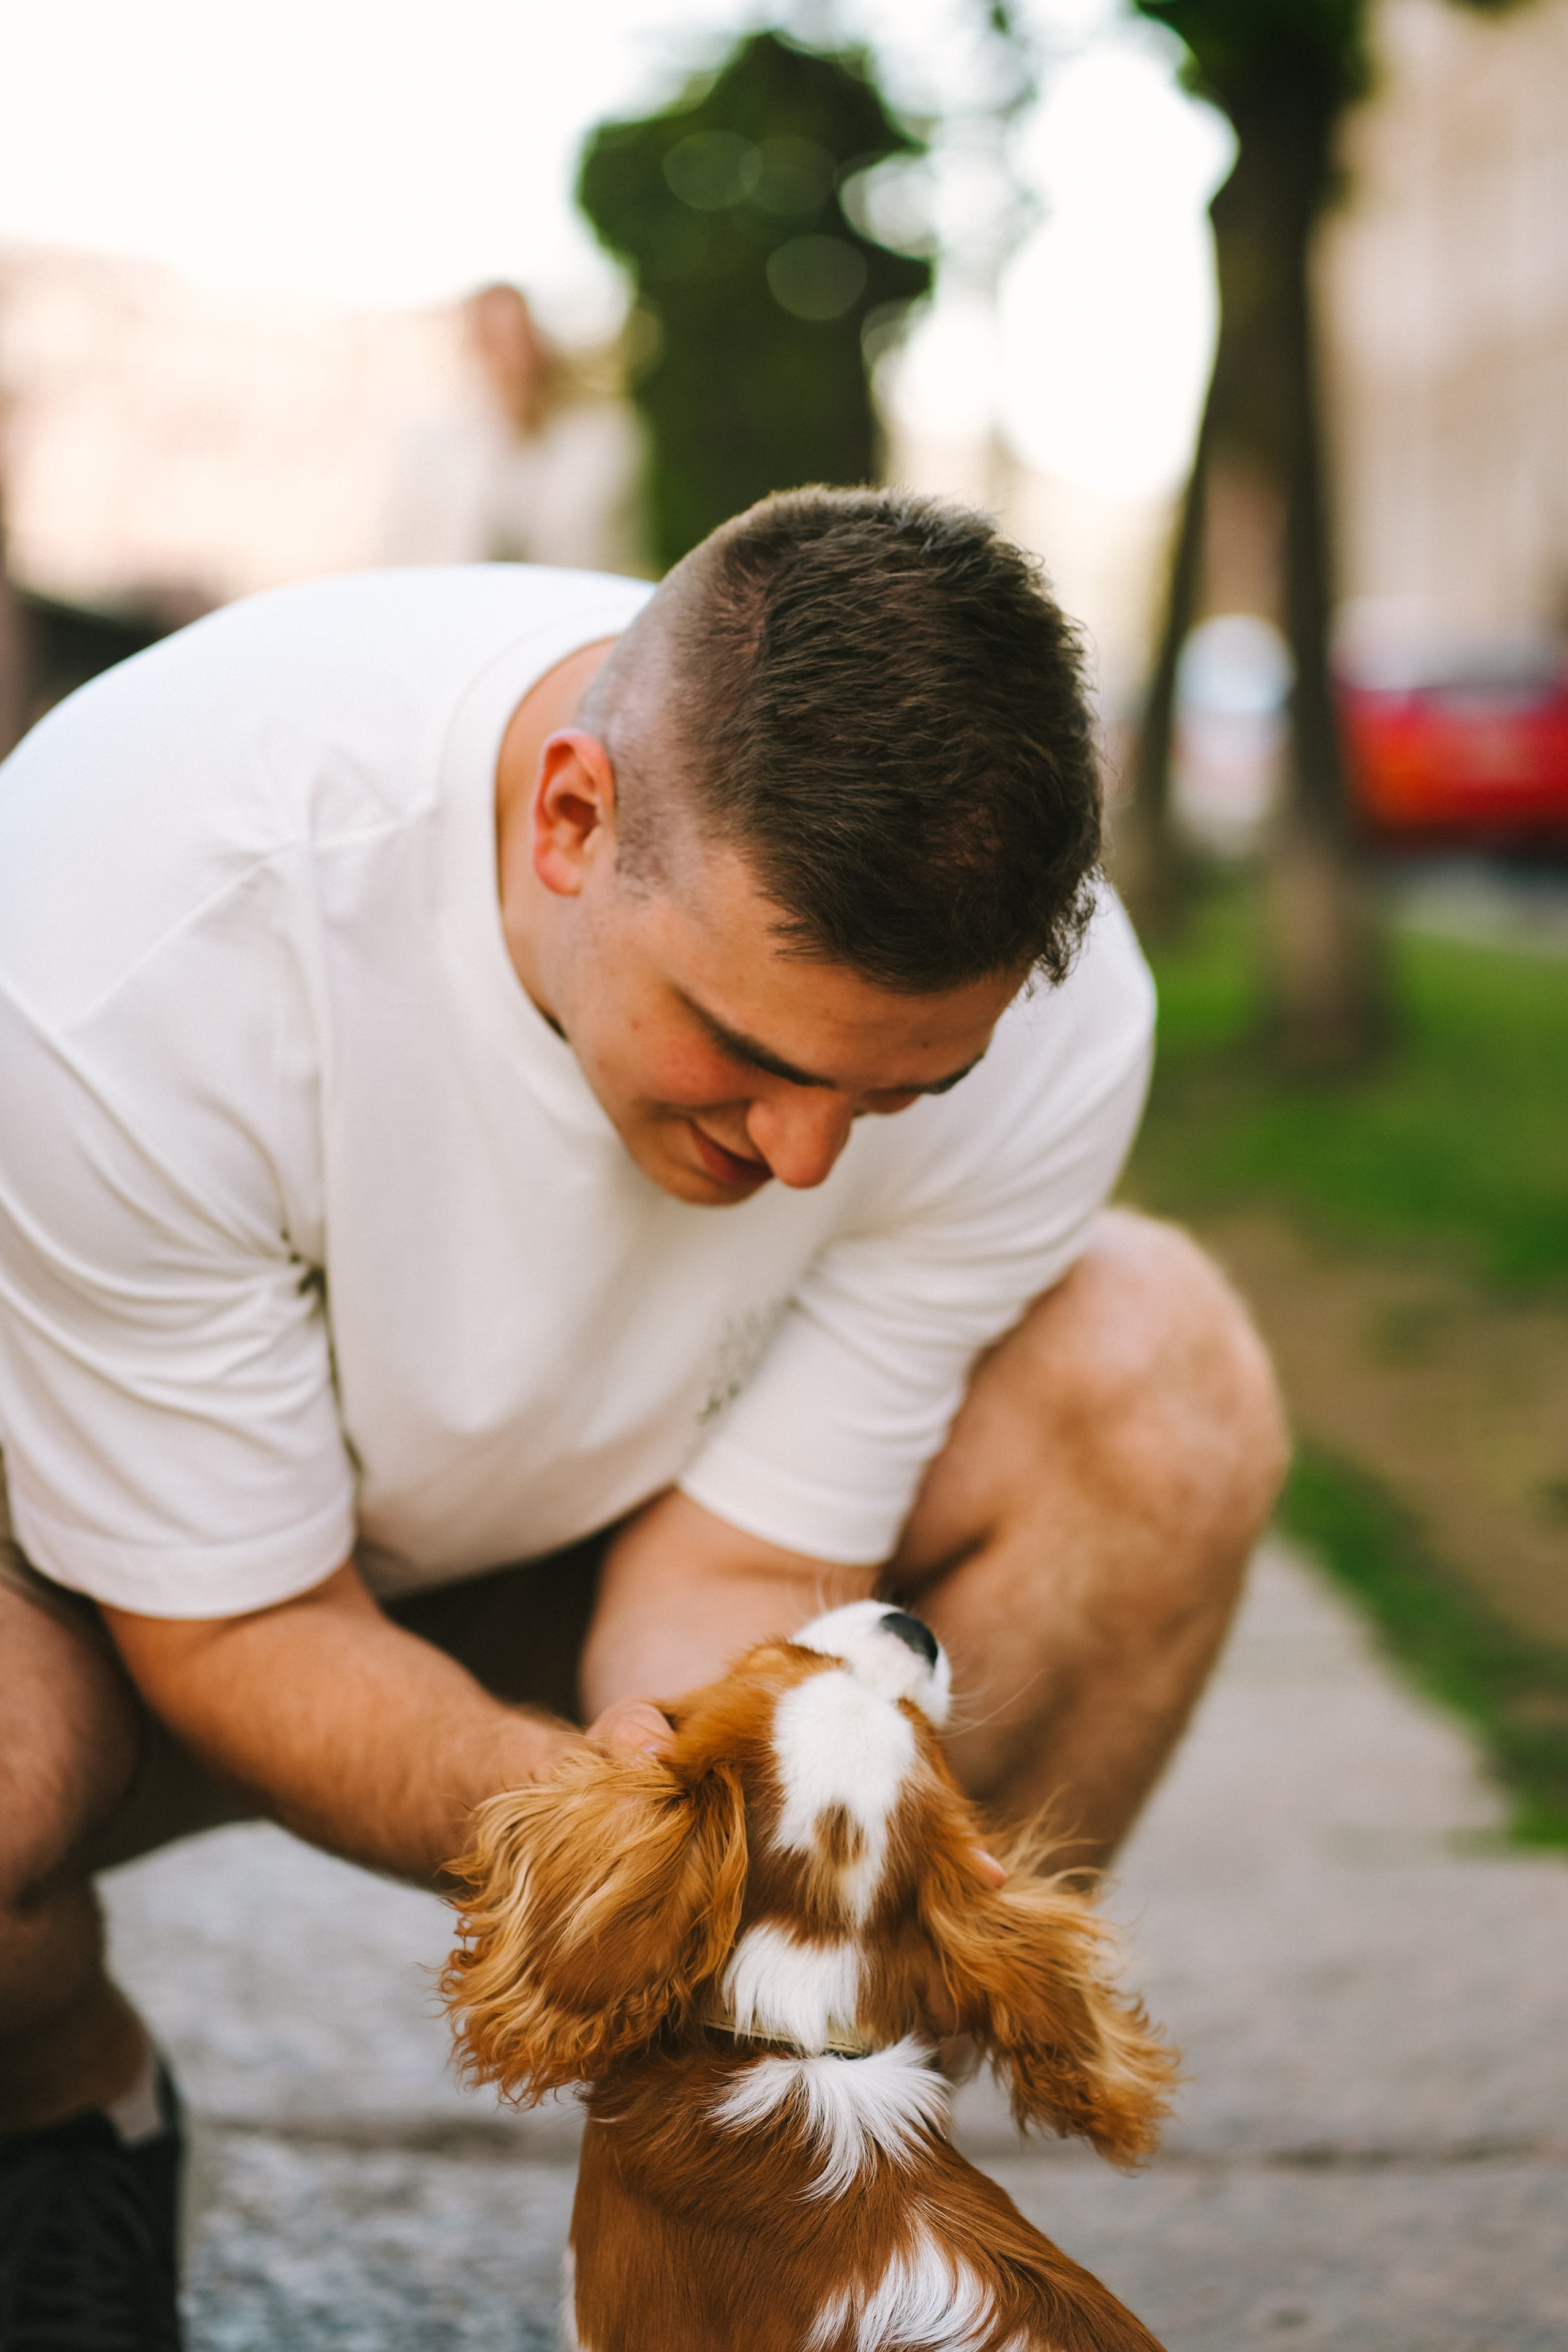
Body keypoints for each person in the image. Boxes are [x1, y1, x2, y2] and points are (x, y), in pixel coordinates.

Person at [0, 489, 1285, 2348]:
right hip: (113, 1579)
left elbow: (749, 1554)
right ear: (571, 817)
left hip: (592, 1511)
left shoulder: (1053, 1029)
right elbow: (241, 1624)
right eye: (748, 1053)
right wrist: (646, 1848)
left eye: (895, 1093)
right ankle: (66, 2106)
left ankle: (784, 2195)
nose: (803, 1158)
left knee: (1163, 1369)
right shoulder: (129, 925)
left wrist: (747, 1813)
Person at [381, 282, 646, 577]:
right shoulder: (433, 441)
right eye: (495, 339)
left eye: (520, 337)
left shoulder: (602, 433)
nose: (512, 356)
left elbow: (611, 539)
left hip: (574, 602)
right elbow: (404, 545)